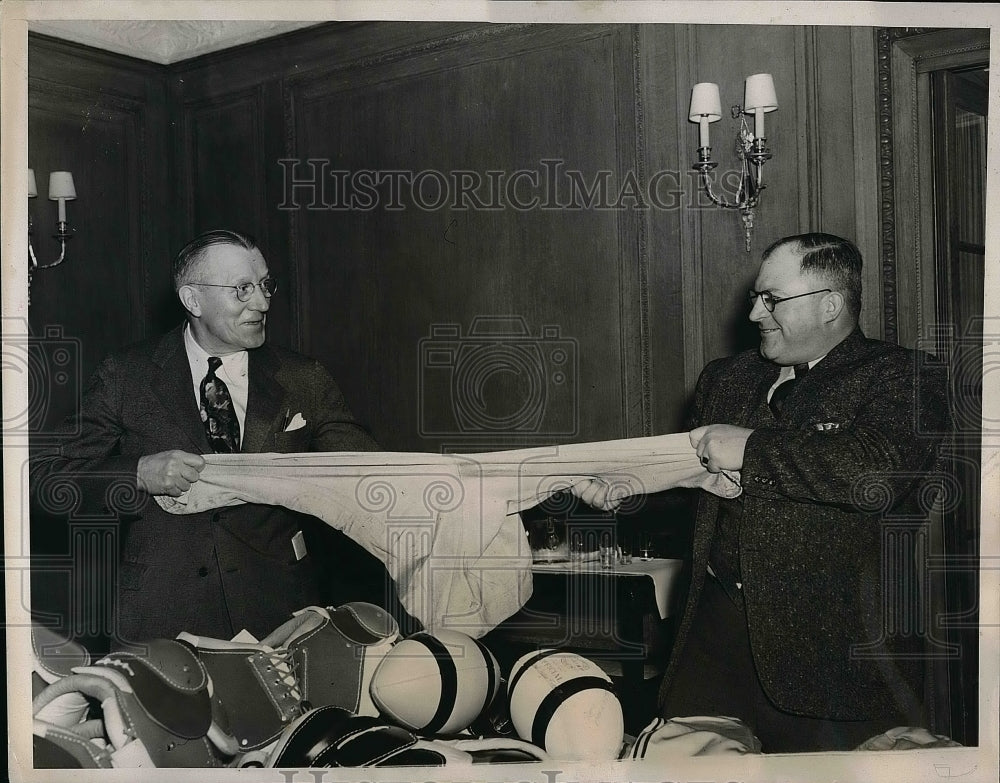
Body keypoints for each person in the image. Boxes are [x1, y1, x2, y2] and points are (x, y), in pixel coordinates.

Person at [574, 233, 951, 752]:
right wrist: (631, 490)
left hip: (837, 654)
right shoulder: (726, 379)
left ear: (830, 305)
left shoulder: (904, 375)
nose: (754, 313)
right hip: (714, 641)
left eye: (771, 299)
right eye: (756, 297)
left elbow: (877, 472)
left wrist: (750, 448)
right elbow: (702, 500)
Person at [30, 229, 381, 645]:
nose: (263, 302)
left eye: (266, 285)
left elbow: (371, 475)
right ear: (193, 300)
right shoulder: (126, 375)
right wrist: (138, 474)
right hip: (161, 617)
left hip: (279, 613)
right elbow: (46, 479)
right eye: (243, 289)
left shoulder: (304, 378)